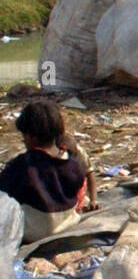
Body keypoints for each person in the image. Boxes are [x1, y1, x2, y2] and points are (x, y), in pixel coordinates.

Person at [0, 101, 96, 243]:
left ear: (32, 137)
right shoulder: (72, 163)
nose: (24, 140)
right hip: (68, 226)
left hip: (33, 234)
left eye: (24, 136)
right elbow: (84, 180)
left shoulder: (23, 166)